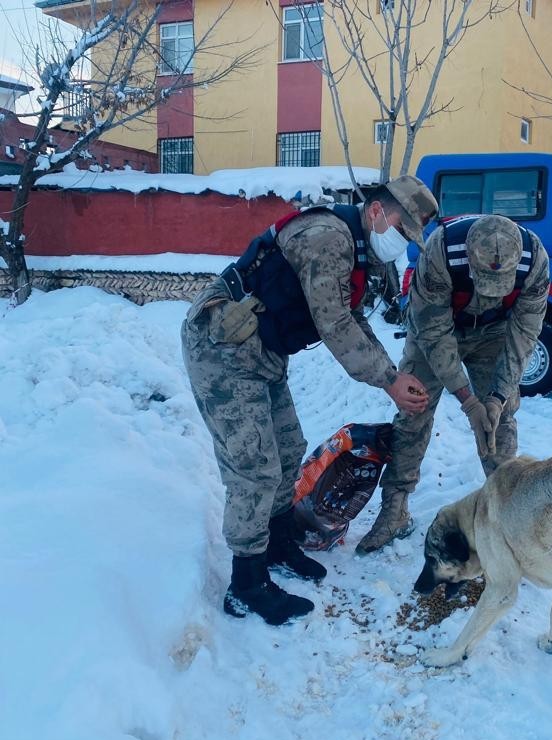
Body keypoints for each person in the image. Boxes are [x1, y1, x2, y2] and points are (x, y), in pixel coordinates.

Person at [181, 176, 438, 625]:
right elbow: (335, 324)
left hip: (261, 349)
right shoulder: (327, 238)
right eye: (402, 230)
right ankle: (246, 585)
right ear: (376, 211)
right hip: (221, 346)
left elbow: (352, 313)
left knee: (287, 447)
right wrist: (389, 382)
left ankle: (277, 540)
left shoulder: (359, 247)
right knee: (254, 467)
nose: (402, 244)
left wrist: (394, 374)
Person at [356, 214, 551, 554]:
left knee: (500, 417)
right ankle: (394, 509)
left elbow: (524, 335)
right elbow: (434, 333)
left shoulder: (534, 261)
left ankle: (506, 514)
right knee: (413, 407)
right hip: (436, 327)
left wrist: (495, 397)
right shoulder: (441, 252)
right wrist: (468, 401)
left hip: (494, 332)